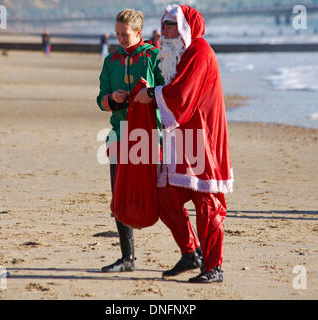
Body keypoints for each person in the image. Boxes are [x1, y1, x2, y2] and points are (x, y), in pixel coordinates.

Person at [134, 4, 233, 283]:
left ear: (186, 28)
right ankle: (191, 253)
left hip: (203, 139)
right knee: (165, 195)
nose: (164, 30)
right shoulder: (180, 54)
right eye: (163, 24)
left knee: (207, 203)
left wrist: (152, 94)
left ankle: (214, 267)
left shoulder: (199, 52)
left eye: (170, 25)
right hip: (182, 137)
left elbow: (182, 96)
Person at [96, 9, 164, 273]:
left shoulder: (155, 57)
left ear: (139, 33)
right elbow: (100, 100)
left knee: (164, 198)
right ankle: (127, 258)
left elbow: (169, 94)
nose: (121, 39)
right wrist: (113, 98)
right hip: (119, 134)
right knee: (119, 198)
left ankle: (191, 252)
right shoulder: (111, 60)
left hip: (149, 135)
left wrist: (149, 92)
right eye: (117, 34)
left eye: (125, 34)